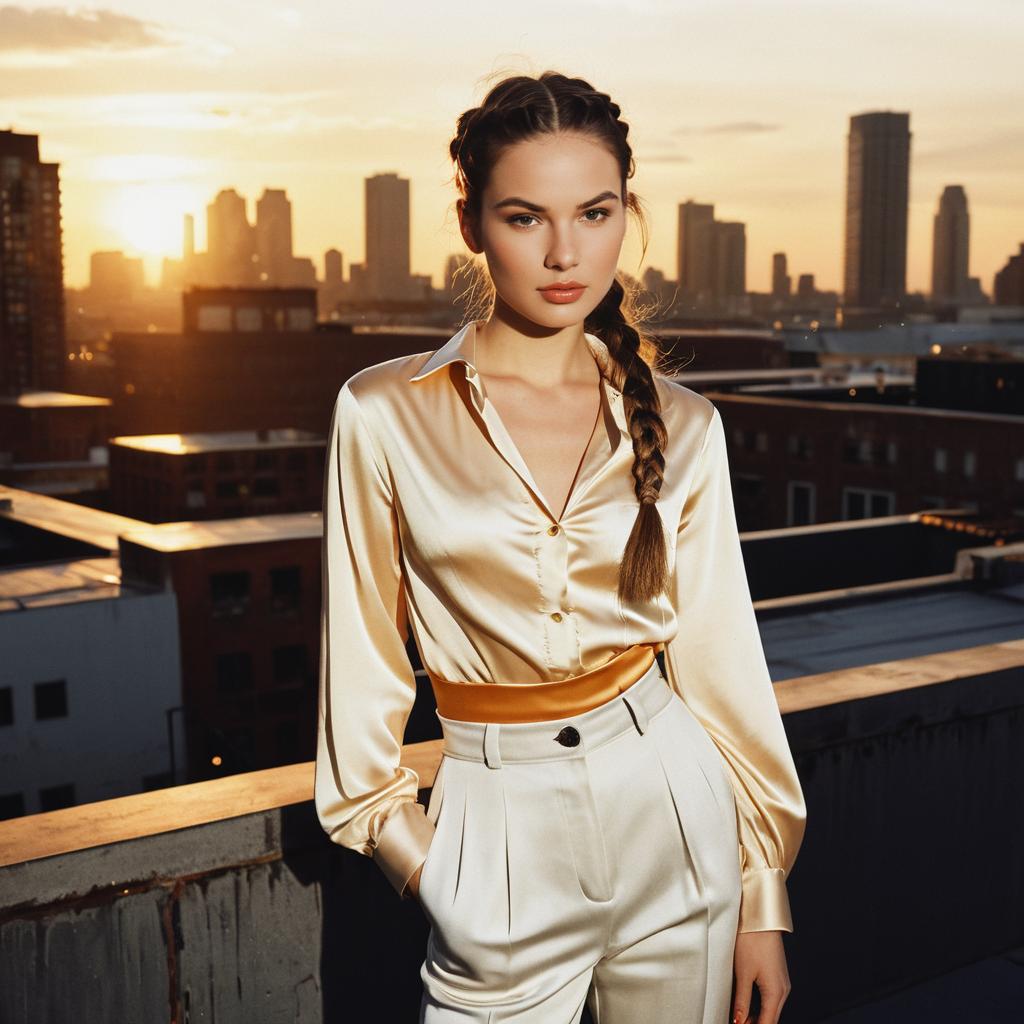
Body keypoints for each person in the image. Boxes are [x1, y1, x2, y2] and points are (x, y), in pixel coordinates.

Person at [315, 70, 807, 1024]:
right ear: (472, 225)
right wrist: (433, 874)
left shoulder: (686, 425)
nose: (565, 252)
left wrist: (762, 895)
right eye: (525, 217)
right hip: (495, 837)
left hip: (676, 816)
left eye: (594, 211)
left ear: (628, 209)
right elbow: (361, 681)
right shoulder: (381, 412)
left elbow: (724, 672)